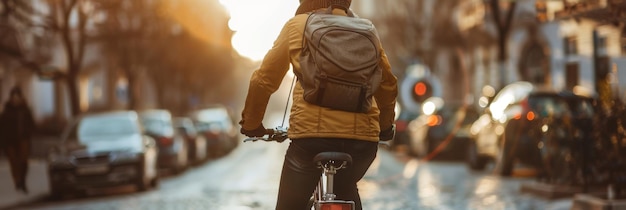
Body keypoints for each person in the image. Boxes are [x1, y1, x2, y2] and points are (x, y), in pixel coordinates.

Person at [239, 0, 398, 209]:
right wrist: (385, 127)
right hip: (361, 144)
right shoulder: (367, 29)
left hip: (310, 140)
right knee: (345, 185)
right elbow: (387, 85)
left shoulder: (297, 25)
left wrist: (252, 124)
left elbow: (264, 80)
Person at [1, 86, 36, 194]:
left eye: (17, 97)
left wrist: (28, 133)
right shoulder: (7, 111)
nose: (15, 99)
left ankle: (22, 181)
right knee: (14, 162)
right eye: (14, 97)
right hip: (10, 141)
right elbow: (2, 127)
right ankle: (17, 181)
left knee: (23, 161)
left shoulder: (25, 110)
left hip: (23, 139)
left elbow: (31, 124)